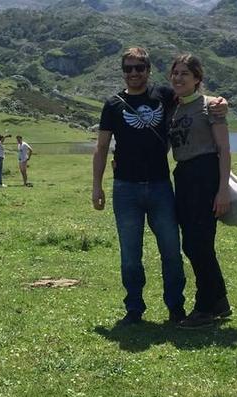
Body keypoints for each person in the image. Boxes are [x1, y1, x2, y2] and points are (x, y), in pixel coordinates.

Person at [92, 46, 228, 326]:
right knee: (131, 254)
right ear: (122, 72)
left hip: (161, 186)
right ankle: (134, 310)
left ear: (148, 71)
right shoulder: (113, 104)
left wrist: (221, 101)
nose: (133, 73)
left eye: (139, 68)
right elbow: (102, 147)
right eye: (128, 68)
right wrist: (96, 185)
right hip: (126, 189)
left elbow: (198, 98)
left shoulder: (164, 96)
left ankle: (176, 309)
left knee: (173, 251)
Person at [167, 54, 233, 328]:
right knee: (193, 244)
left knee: (199, 244)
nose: (179, 78)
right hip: (183, 176)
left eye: (185, 74)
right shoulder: (174, 108)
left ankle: (204, 309)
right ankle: (219, 301)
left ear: (197, 79)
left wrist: (223, 190)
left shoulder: (210, 107)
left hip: (205, 174)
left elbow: (224, 149)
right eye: (175, 73)